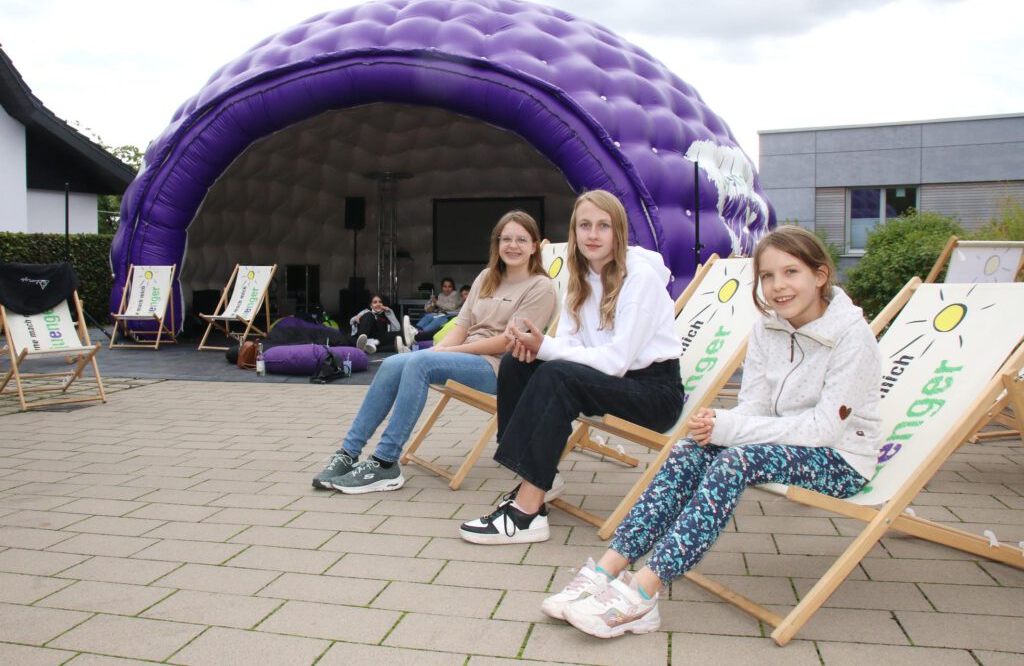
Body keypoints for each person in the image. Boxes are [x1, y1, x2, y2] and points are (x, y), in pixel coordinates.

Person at [543, 225, 884, 639]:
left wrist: (732, 429)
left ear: (820, 275)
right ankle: (609, 567)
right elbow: (754, 407)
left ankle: (645, 590)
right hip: (782, 443)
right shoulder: (767, 328)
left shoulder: (851, 337)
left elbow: (824, 428)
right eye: (768, 276)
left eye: (791, 272)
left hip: (841, 457)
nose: (778, 287)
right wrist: (719, 425)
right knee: (691, 449)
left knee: (734, 461)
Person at [459, 190, 684, 545]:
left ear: (619, 232)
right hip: (606, 383)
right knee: (519, 362)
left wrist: (546, 347)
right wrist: (535, 344)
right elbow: (567, 346)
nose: (593, 235)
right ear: (575, 232)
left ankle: (527, 515)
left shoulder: (640, 278)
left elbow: (615, 360)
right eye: (585, 225)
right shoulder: (580, 278)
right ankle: (536, 473)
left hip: (653, 394)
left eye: (603, 226)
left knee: (555, 373)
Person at [312, 210, 557, 493]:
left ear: (534, 246)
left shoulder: (540, 287)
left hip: (499, 368)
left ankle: (385, 463)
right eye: (507, 239)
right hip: (465, 356)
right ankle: (348, 452)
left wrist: (445, 354)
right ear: (497, 243)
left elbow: (507, 342)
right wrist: (439, 350)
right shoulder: (487, 277)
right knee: (394, 363)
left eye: (522, 240)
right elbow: (462, 325)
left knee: (420, 365)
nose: (513, 246)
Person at [399, 277, 463, 349]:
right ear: (442, 287)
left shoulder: (455, 294)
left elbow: (451, 307)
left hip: (450, 316)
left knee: (437, 320)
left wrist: (436, 302)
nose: (447, 289)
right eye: (445, 286)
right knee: (428, 316)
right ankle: (415, 329)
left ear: (453, 287)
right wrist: (430, 308)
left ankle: (418, 334)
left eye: (449, 286)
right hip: (441, 314)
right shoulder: (440, 295)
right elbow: (435, 306)